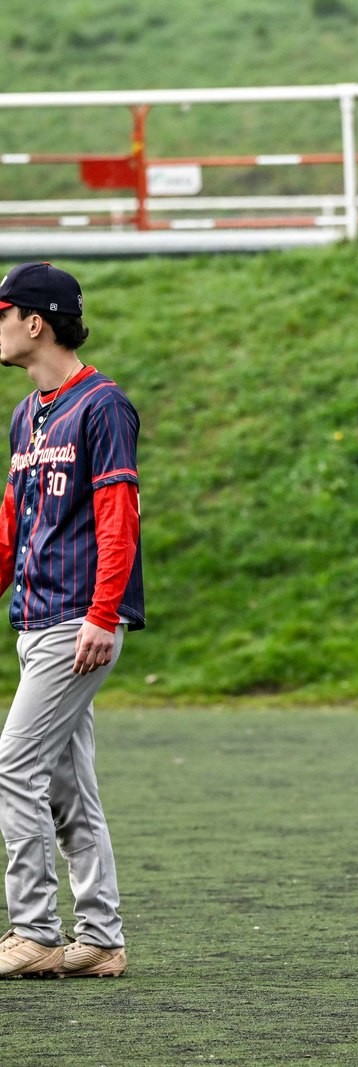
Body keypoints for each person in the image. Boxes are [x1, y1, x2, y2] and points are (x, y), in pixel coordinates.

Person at [0, 262, 143, 979]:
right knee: (64, 785)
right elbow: (9, 527)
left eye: (2, 312)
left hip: (75, 624)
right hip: (40, 621)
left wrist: (103, 613)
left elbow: (121, 521)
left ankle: (31, 929)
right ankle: (101, 939)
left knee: (12, 763)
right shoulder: (26, 415)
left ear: (36, 322)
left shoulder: (102, 406)